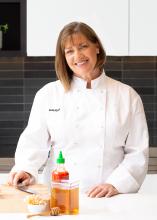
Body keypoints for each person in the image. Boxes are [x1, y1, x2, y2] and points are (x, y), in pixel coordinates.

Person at [8, 21, 149, 198]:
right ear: (64, 57)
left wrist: (116, 184)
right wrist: (26, 169)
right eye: (69, 51)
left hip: (110, 197)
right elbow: (33, 142)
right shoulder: (48, 94)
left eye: (83, 46)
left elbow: (137, 152)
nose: (78, 56)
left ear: (97, 47)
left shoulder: (127, 96)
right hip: (59, 195)